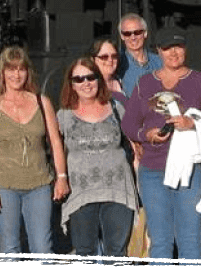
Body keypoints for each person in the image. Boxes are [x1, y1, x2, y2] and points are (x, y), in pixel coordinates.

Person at [121, 25, 201, 262]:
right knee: (160, 240)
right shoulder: (144, 83)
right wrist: (147, 135)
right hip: (152, 172)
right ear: (158, 51)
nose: (173, 53)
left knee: (189, 238)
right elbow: (128, 124)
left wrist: (193, 122)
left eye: (178, 46)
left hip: (190, 172)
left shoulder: (200, 81)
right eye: (167, 48)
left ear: (185, 48)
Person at [0, 46, 69, 257]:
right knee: (10, 247)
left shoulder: (42, 102)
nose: (16, 74)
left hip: (38, 184)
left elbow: (56, 142)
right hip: (5, 186)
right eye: (11, 69)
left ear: (28, 72)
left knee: (42, 247)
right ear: (2, 72)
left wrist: (62, 177)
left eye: (21, 69)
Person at [57, 57, 137, 260]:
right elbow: (54, 150)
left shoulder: (117, 108)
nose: (86, 83)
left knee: (117, 253)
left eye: (90, 77)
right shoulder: (63, 116)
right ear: (71, 84)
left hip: (117, 190)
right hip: (81, 193)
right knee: (85, 254)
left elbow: (136, 147)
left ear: (98, 79)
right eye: (79, 79)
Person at [117, 13, 161, 96]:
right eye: (127, 33)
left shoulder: (159, 62)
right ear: (122, 36)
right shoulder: (117, 64)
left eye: (137, 32)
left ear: (145, 33)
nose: (133, 37)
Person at [90, 37, 125, 104]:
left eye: (114, 56)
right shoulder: (89, 87)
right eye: (104, 57)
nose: (110, 60)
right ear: (93, 59)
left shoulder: (123, 81)